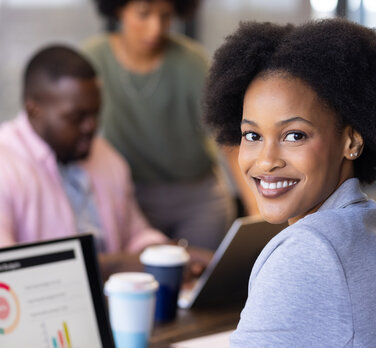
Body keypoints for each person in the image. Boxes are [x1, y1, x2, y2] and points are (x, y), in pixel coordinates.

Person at [101, 18, 376, 348]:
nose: (265, 161)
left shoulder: (307, 252)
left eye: (295, 135)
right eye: (252, 136)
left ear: (351, 141)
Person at [0, 45, 168, 256]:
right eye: (76, 117)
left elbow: (135, 234)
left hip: (113, 300)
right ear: (33, 110)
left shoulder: (106, 157)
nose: (91, 127)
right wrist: (121, 264)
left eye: (95, 114)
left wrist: (164, 255)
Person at [83, 0, 255, 250]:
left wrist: (254, 206)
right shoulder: (94, 58)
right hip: (133, 200)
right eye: (143, 14)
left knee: (201, 282)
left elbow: (228, 138)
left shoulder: (192, 61)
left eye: (165, 16)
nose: (155, 28)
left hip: (198, 198)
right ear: (118, 8)